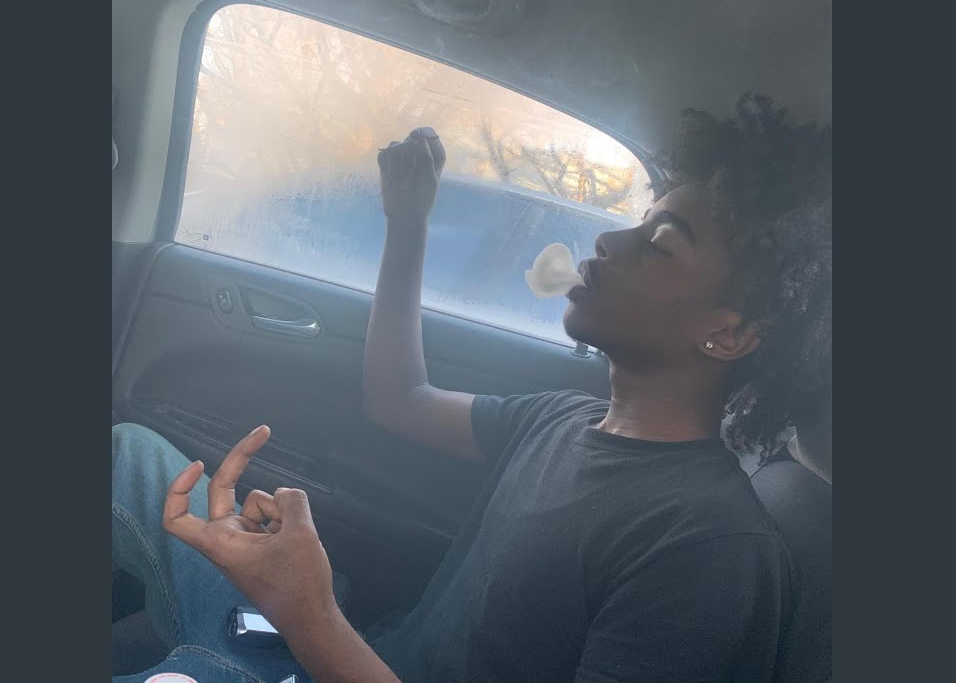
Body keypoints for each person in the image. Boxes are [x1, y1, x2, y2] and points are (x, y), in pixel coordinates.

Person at [111, 92, 832, 682]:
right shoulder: (563, 420)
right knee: (128, 453)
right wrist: (408, 223)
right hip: (332, 651)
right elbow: (399, 398)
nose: (611, 242)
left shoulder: (709, 551)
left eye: (660, 245)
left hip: (324, 646)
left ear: (729, 334)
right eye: (638, 224)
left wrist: (308, 609)